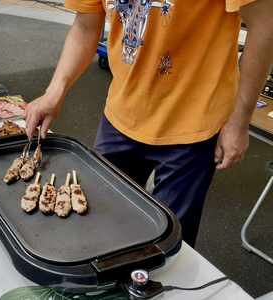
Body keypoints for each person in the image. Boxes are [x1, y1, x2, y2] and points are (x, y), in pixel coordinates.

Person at [23, 0, 273, 247]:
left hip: (193, 122)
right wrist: (55, 91)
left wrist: (240, 122)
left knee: (165, 242)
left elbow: (265, 23)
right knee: (97, 221)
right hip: (122, 112)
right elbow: (87, 25)